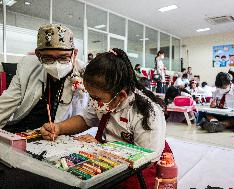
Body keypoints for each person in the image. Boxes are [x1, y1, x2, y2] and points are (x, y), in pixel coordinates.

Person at [40, 48, 169, 188]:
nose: (93, 102)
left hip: (137, 172)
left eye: (96, 98)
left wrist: (102, 149)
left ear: (121, 96)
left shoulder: (146, 114)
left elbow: (145, 159)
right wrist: (59, 127)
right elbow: (85, 119)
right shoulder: (104, 100)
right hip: (108, 161)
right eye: (90, 96)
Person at [0, 24, 88, 133]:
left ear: (74, 54)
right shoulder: (27, 66)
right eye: (48, 58)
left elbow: (88, 117)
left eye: (63, 57)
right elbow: (6, 102)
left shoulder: (86, 74)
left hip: (59, 135)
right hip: (23, 129)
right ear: (38, 55)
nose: (56, 64)